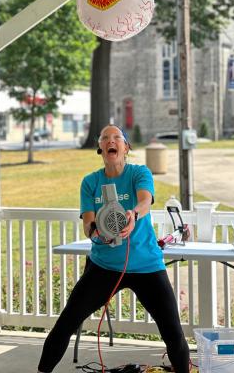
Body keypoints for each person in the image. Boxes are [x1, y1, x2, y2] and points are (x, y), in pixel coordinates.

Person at [38, 124, 190, 373]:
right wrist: (95, 231)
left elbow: (145, 200)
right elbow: (88, 223)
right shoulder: (90, 182)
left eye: (117, 137)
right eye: (105, 138)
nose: (111, 141)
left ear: (126, 147)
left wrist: (134, 215)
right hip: (104, 266)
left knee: (173, 331)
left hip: (147, 266)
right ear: (100, 148)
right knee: (66, 323)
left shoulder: (139, 173)